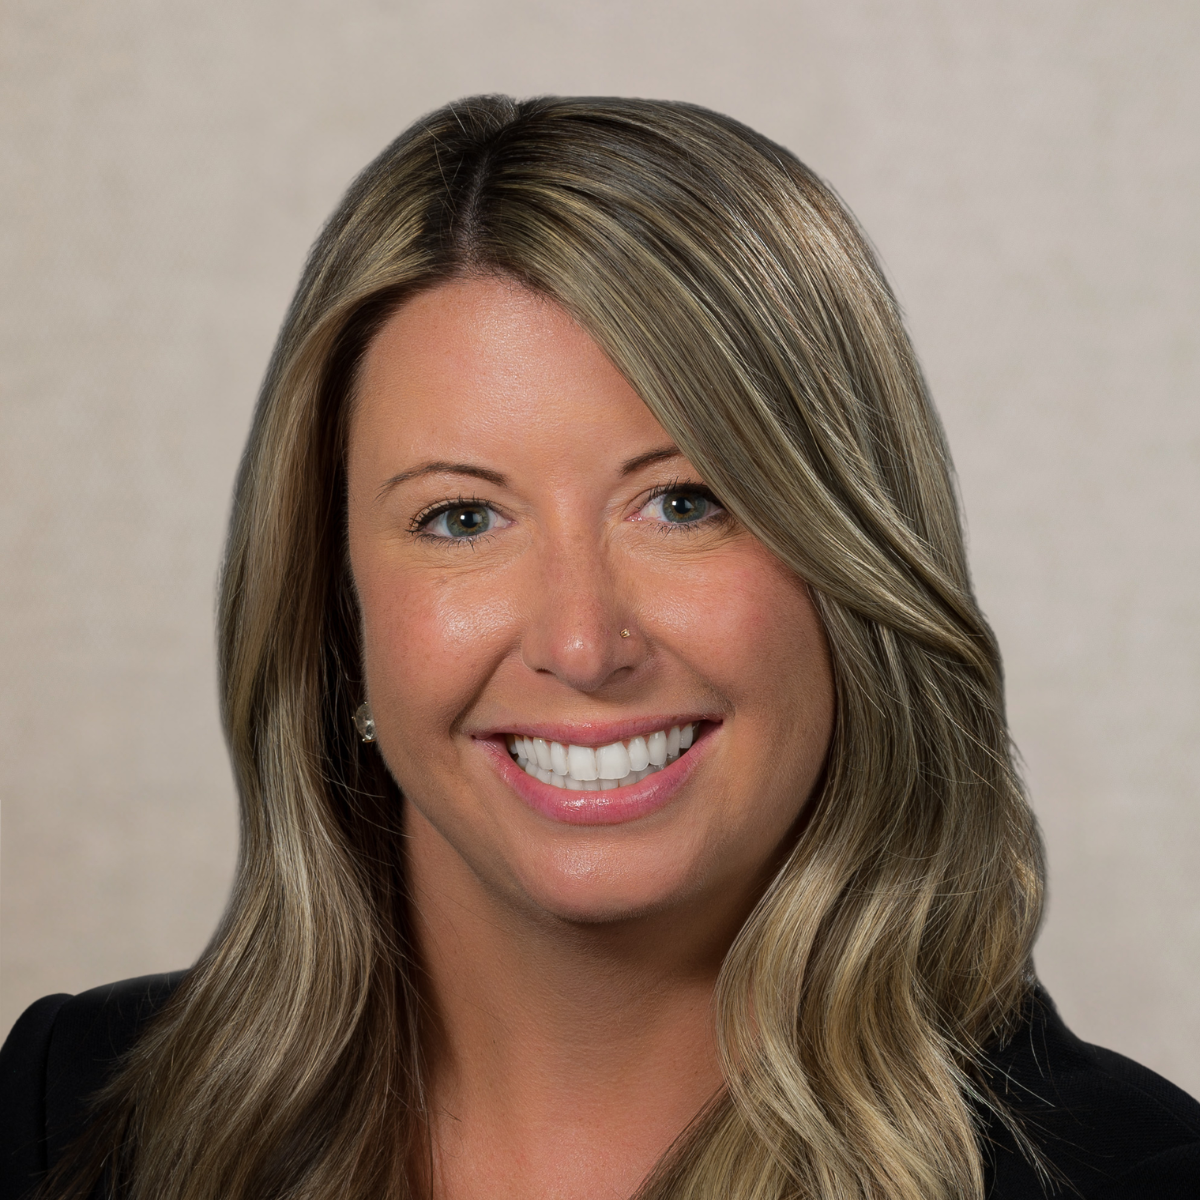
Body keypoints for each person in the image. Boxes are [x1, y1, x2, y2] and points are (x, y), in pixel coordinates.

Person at [2, 95, 1198, 1200]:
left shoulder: (1131, 1175)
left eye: (686, 502)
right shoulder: (69, 1116)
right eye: (461, 518)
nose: (583, 642)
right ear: (337, 614)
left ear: (851, 571)